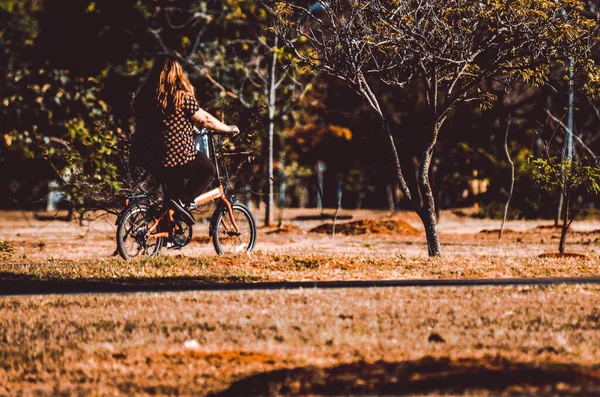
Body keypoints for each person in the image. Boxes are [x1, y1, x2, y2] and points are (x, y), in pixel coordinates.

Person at [130, 55, 239, 224]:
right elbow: (205, 120)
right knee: (208, 170)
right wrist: (228, 129)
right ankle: (182, 203)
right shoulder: (181, 97)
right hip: (175, 155)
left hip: (147, 156)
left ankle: (168, 233)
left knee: (172, 193)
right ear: (177, 74)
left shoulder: (143, 98)